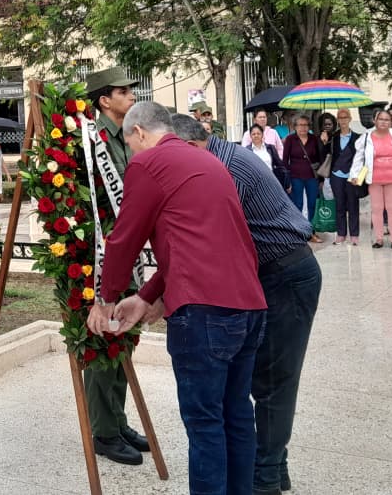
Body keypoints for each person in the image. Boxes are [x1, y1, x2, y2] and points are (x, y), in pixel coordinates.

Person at [87, 102, 267, 495]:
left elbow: (124, 238)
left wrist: (106, 298)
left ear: (138, 134)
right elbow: (200, 245)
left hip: (204, 312)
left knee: (205, 425)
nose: (131, 155)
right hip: (249, 304)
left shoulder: (149, 164)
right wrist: (146, 296)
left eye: (130, 146)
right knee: (236, 414)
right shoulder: (206, 162)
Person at [171, 115, 322, 495]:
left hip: (285, 272)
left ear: (191, 145)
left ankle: (266, 478)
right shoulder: (220, 158)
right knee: (263, 378)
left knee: (274, 381)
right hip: (270, 272)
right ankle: (274, 465)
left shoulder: (225, 169)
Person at [81, 67, 150, 466]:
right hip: (102, 251)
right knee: (102, 340)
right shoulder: (94, 139)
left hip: (127, 250)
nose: (130, 96)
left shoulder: (126, 135)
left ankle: (118, 419)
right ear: (104, 99)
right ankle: (103, 431)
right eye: (123, 91)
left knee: (123, 334)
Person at [349, 109, 392, 249]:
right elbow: (359, 157)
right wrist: (354, 175)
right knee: (377, 209)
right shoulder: (367, 137)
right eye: (381, 119)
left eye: (387, 119)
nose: (384, 122)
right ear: (375, 121)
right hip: (374, 178)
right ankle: (378, 239)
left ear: (390, 121)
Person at [282, 115, 325, 234]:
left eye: (305, 125)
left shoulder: (314, 139)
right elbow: (285, 160)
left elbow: (320, 158)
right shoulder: (290, 139)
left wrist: (321, 179)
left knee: (312, 203)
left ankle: (311, 231)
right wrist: (287, 180)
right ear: (295, 127)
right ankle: (298, 231)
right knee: (298, 204)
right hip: (295, 176)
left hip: (312, 176)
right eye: (300, 125)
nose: (303, 128)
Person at [328, 109, 362, 246]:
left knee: (353, 205)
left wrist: (359, 175)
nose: (342, 120)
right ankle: (341, 234)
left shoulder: (357, 137)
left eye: (345, 117)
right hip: (336, 175)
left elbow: (361, 157)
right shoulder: (333, 137)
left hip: (352, 176)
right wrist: (324, 140)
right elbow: (326, 153)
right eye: (340, 118)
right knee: (340, 205)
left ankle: (354, 235)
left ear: (350, 118)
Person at [246, 124, 290, 190]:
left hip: (271, 182)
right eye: (253, 134)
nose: (256, 136)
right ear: (250, 136)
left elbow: (280, 165)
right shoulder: (247, 150)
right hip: (255, 185)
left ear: (262, 135)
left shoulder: (270, 148)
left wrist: (287, 183)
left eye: (258, 133)